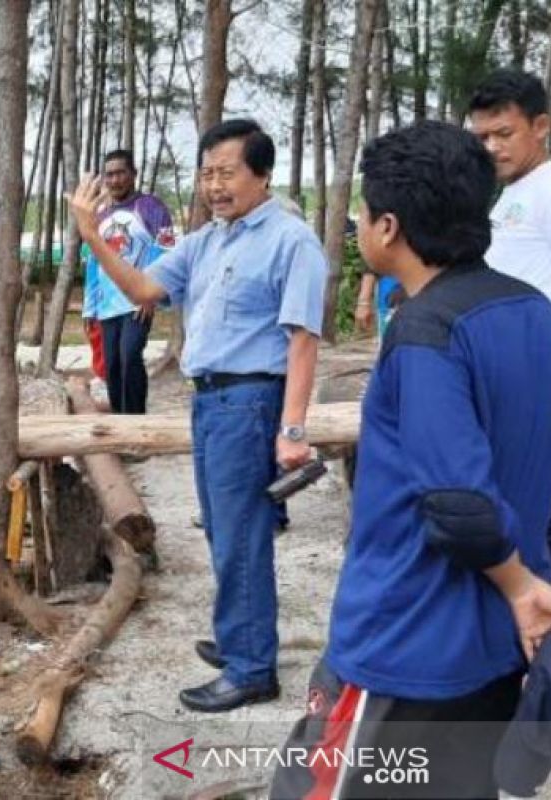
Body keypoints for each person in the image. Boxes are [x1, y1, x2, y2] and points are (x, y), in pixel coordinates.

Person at [270, 121, 551, 800]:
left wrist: (517, 586)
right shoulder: (534, 310)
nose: (361, 225)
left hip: (410, 641)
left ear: (388, 226)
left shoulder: (426, 331)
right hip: (498, 651)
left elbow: (460, 507)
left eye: (364, 212)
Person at [67, 119, 327, 713]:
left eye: (227, 172)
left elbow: (302, 341)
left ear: (262, 174)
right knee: (220, 528)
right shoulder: (206, 241)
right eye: (206, 173)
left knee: (241, 536)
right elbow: (141, 291)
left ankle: (252, 668)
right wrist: (91, 232)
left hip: (253, 402)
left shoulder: (290, 241)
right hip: (207, 401)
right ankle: (241, 638)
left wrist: (292, 430)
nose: (215, 185)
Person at [82, 149, 173, 414]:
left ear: (133, 174)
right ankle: (119, 423)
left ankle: (136, 422)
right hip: (107, 305)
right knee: (111, 365)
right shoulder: (99, 216)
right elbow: (93, 263)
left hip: (137, 301)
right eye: (109, 175)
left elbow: (165, 251)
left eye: (121, 172)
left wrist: (151, 293)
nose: (115, 180)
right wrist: (90, 307)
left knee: (130, 356)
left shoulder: (151, 208)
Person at [469, 69, 551, 298]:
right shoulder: (514, 189)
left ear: (540, 126)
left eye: (504, 133)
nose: (491, 147)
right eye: (482, 138)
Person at [81, 243, 108, 384]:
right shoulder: (88, 246)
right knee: (96, 337)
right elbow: (90, 278)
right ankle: (101, 373)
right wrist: (89, 308)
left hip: (118, 301)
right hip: (98, 302)